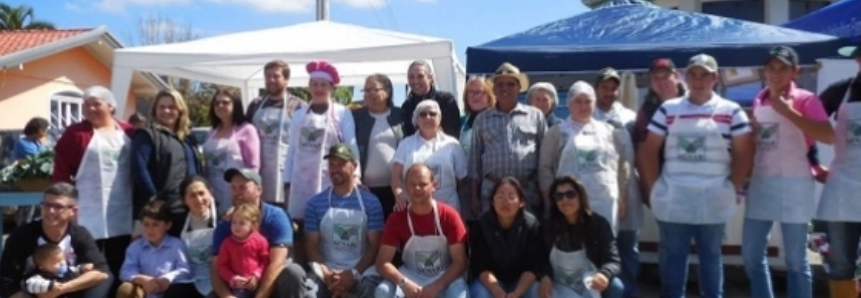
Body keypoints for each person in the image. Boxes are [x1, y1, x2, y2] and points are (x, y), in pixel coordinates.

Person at [639, 54, 754, 298]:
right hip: (674, 197)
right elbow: (648, 150)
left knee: (711, 256)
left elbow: (744, 153)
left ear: (714, 77)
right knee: (674, 257)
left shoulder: (731, 110)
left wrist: (731, 188)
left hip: (714, 197)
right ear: (685, 77)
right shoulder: (668, 109)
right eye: (693, 74)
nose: (698, 80)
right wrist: (653, 189)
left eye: (705, 75)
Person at [742, 46, 835, 298]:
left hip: (795, 185)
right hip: (762, 183)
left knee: (796, 261)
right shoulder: (758, 99)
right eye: (771, 67)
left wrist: (788, 112)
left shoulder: (807, 99)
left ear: (795, 71)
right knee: (750, 255)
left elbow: (828, 135)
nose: (776, 73)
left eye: (783, 67)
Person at [52, 86, 135, 296]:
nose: (90, 108)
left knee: (120, 261)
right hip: (87, 209)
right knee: (88, 264)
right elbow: (61, 172)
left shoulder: (128, 131)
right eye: (86, 104)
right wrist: (63, 204)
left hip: (123, 208)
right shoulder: (75, 134)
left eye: (96, 103)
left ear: (111, 106)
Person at [283, 61, 360, 265]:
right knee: (301, 229)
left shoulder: (343, 113)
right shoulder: (299, 115)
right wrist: (287, 182)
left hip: (330, 179)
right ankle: (305, 268)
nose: (318, 89)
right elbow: (291, 151)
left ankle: (328, 267)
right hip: (301, 182)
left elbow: (351, 145)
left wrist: (356, 175)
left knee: (327, 227)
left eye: (323, 85)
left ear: (332, 88)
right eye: (314, 84)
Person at [538, 81, 629, 233]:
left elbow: (622, 165)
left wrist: (622, 197)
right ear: (569, 104)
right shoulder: (557, 133)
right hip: (568, 202)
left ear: (594, 103)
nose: (583, 106)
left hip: (605, 201)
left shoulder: (609, 130)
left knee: (604, 246)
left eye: (588, 101)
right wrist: (551, 199)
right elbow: (544, 168)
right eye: (578, 101)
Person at [0, 182, 112, 298]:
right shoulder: (21, 236)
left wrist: (63, 289)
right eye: (46, 205)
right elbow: (7, 283)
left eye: (58, 207)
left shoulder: (80, 234)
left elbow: (101, 272)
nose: (51, 211)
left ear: (72, 211)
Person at [374, 164, 469, 298]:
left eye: (423, 184)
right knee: (382, 292)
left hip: (443, 275)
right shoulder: (396, 218)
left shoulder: (449, 215)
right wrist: (403, 283)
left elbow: (460, 262)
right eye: (412, 184)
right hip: (410, 275)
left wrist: (437, 286)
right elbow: (382, 263)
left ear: (433, 185)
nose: (417, 188)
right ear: (406, 187)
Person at [303, 144, 385, 298]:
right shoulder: (315, 203)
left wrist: (353, 274)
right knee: (309, 293)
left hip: (362, 269)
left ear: (354, 166)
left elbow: (375, 246)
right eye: (332, 165)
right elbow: (311, 246)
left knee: (371, 291)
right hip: (327, 269)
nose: (335, 169)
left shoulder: (371, 202)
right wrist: (328, 275)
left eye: (341, 164)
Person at [210, 168, 307, 298]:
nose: (237, 192)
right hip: (238, 287)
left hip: (272, 284)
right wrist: (227, 296)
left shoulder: (276, 216)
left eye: (243, 187)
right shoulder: (225, 225)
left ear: (259, 190)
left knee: (294, 273)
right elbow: (216, 268)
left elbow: (277, 263)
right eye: (233, 188)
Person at [470, 62, 546, 216]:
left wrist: (541, 190)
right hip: (491, 192)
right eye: (500, 84)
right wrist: (473, 196)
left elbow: (545, 157)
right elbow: (474, 161)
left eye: (511, 84)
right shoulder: (482, 119)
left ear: (519, 87)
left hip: (528, 191)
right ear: (494, 88)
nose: (505, 88)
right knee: (492, 237)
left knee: (528, 236)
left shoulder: (535, 116)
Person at [591, 68, 641, 298]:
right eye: (604, 88)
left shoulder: (630, 116)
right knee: (599, 246)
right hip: (599, 193)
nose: (609, 92)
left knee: (628, 246)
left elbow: (639, 154)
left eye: (613, 88)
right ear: (596, 89)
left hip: (628, 191)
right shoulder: (587, 115)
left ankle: (629, 292)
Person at [816, 42, 861, 298]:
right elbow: (808, 127)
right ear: (857, 60)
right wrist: (812, 163)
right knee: (841, 264)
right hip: (843, 189)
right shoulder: (838, 91)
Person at [538, 176, 623, 298]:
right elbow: (539, 258)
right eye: (559, 196)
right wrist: (545, 275)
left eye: (570, 194)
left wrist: (604, 274)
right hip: (558, 283)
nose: (565, 200)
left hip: (590, 282)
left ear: (581, 196)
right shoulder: (547, 226)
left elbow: (613, 260)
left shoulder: (599, 224)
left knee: (616, 287)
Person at [133, 89, 201, 237]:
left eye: (171, 107)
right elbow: (139, 169)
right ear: (155, 110)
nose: (166, 111)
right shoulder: (147, 135)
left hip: (188, 207)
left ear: (180, 110)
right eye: (161, 107)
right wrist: (156, 199)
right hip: (161, 210)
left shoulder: (188, 138)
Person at [469, 177, 541, 298]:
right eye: (500, 197)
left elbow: (533, 266)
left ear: (521, 202)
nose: (505, 202)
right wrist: (499, 292)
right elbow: (480, 265)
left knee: (537, 291)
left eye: (511, 197)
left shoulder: (531, 225)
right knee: (480, 293)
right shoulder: (481, 225)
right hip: (491, 283)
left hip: (521, 282)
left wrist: (517, 293)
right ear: (492, 201)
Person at [247, 60, 307, 205]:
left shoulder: (299, 106)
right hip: (259, 173)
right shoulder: (255, 105)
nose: (271, 80)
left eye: (276, 76)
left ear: (287, 79)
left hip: (287, 175)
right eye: (267, 76)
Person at [392, 100, 468, 213]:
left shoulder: (453, 144)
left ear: (440, 118)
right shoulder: (406, 144)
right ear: (416, 120)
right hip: (413, 208)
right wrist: (399, 194)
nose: (428, 117)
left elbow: (463, 179)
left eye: (433, 114)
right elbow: (395, 176)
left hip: (448, 208)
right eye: (422, 114)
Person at [117, 200, 197, 298]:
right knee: (126, 288)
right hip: (145, 293)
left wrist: (167, 279)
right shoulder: (135, 247)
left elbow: (185, 270)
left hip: (169, 293)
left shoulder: (176, 245)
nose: (150, 230)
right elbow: (125, 271)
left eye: (155, 225)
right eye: (146, 225)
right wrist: (141, 279)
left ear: (168, 225)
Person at [353, 73, 404, 220]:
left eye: (373, 90)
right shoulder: (356, 117)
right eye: (366, 91)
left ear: (387, 91)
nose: (369, 94)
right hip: (365, 188)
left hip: (396, 189)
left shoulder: (400, 115)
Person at [204, 89, 260, 216]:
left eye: (225, 102)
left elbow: (253, 167)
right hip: (212, 193)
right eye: (217, 103)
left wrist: (247, 198)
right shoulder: (211, 131)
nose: (220, 106)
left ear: (236, 105)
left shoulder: (247, 130)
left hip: (235, 194)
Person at [459, 76, 495, 221]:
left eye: (479, 92)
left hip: (489, 183)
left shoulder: (495, 119)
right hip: (465, 184)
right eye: (471, 92)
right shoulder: (461, 121)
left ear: (489, 95)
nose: (475, 96)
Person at [216, 204, 269, 298]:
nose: (236, 226)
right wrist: (233, 278)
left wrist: (257, 275)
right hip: (238, 287)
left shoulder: (260, 241)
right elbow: (222, 265)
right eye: (234, 222)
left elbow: (265, 260)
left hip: (258, 283)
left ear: (253, 225)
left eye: (242, 223)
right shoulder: (227, 243)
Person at [178, 176, 218, 297]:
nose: (199, 199)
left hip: (219, 281)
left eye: (202, 193)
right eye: (192, 195)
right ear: (184, 200)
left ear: (210, 193)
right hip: (190, 281)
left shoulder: (224, 219)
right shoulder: (178, 223)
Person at [400, 60, 461, 139]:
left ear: (431, 78)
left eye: (420, 76)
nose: (415, 81)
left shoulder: (446, 101)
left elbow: (453, 133)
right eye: (411, 77)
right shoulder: (407, 106)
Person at [24, 244, 94, 295]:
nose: (61, 264)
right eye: (55, 262)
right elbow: (30, 285)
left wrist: (82, 268)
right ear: (42, 267)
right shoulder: (40, 277)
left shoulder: (69, 270)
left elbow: (76, 270)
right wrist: (50, 285)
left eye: (62, 259)